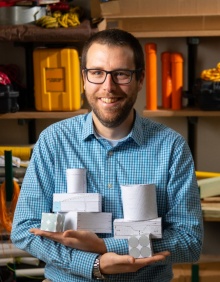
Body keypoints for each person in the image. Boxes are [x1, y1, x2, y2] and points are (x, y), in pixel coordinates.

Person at [11, 28, 203, 282]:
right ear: (83, 78)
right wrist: (94, 264)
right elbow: (25, 229)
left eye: (121, 74)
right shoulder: (53, 141)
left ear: (140, 79)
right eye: (97, 73)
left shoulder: (171, 147)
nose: (108, 87)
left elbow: (189, 241)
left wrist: (107, 247)